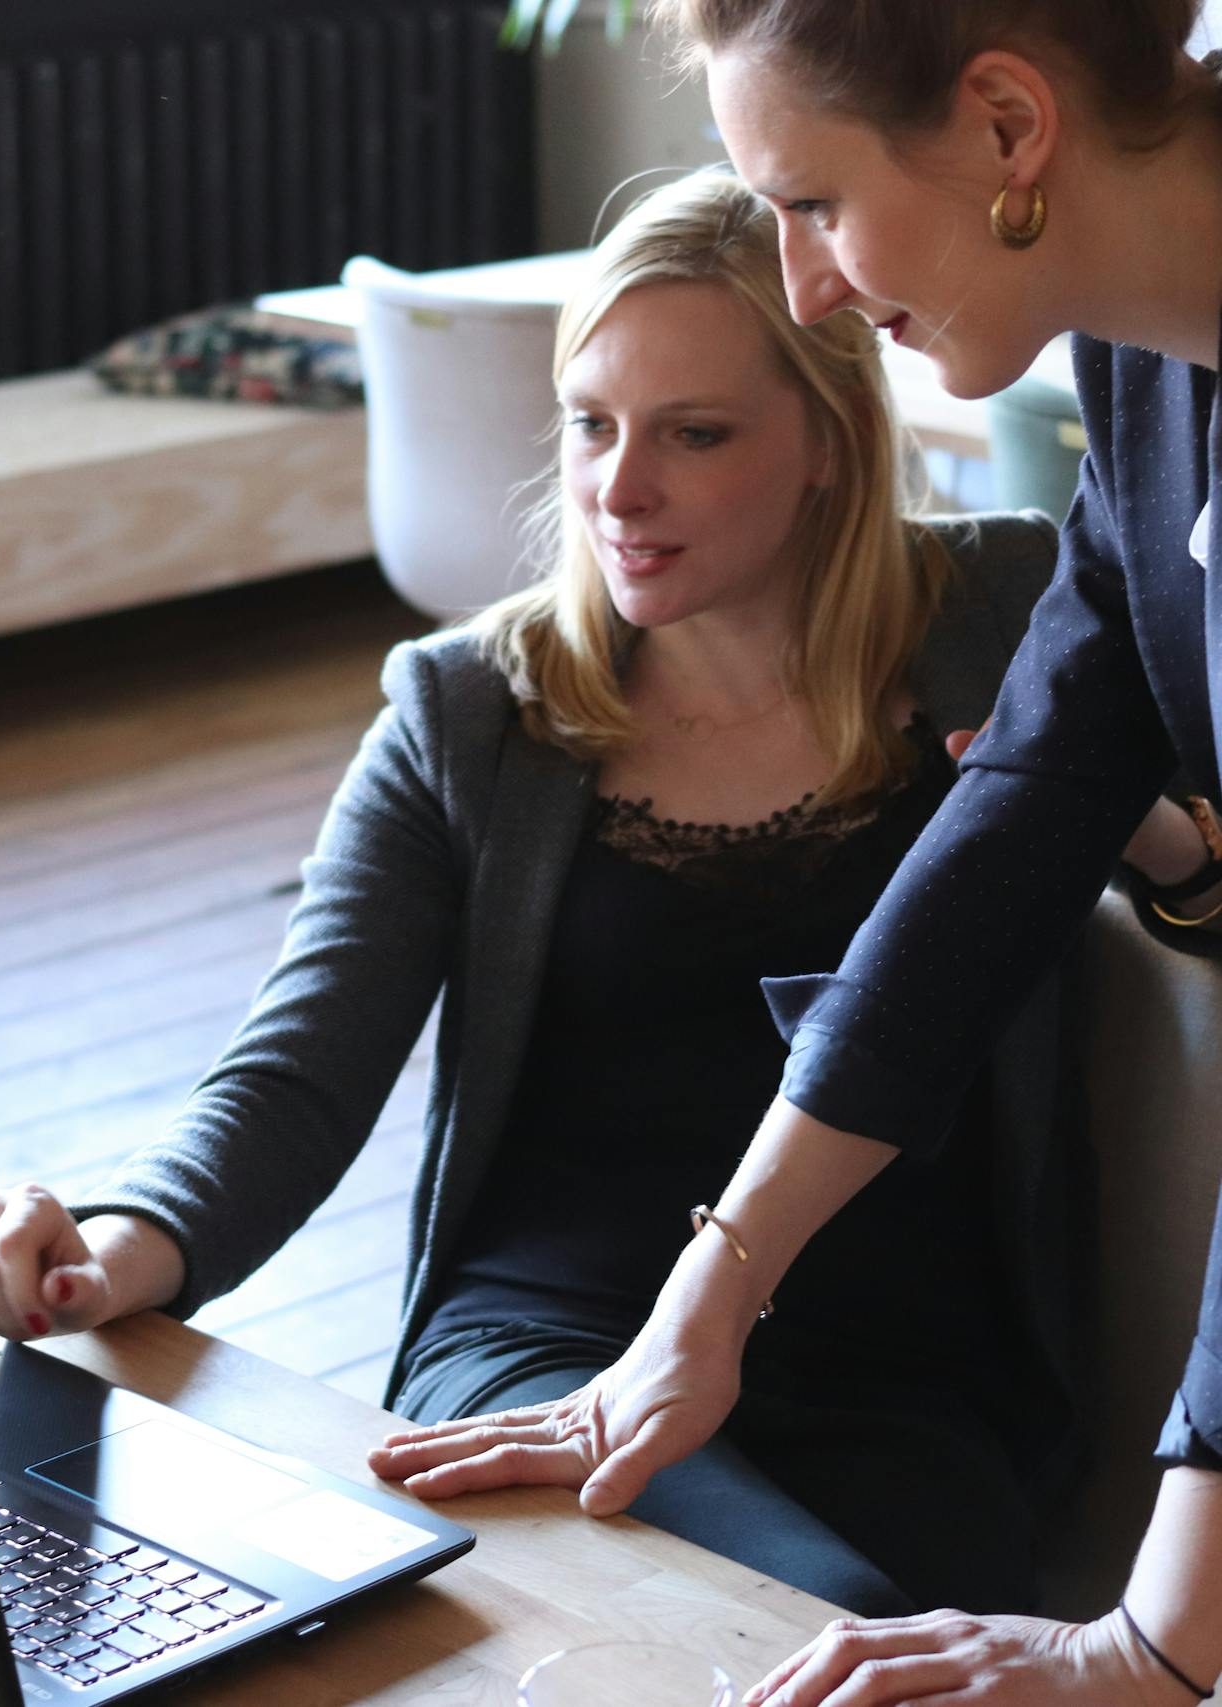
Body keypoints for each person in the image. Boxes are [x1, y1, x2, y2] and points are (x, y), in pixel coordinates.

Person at [0, 168, 1110, 1616]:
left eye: (694, 434)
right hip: (545, 1346)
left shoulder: (1003, 614)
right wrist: (109, 1248)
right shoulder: (472, 712)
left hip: (908, 1370)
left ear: (829, 437)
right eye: (590, 425)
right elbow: (297, 1070)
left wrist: (1170, 842)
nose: (620, 490)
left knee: (847, 1624)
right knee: (800, 1618)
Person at [374, 4, 1222, 1703]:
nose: (809, 283)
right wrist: (713, 1289)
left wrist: (1161, 1638)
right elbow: (1023, 807)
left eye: (815, 203)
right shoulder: (1143, 366)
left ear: (1006, 125)